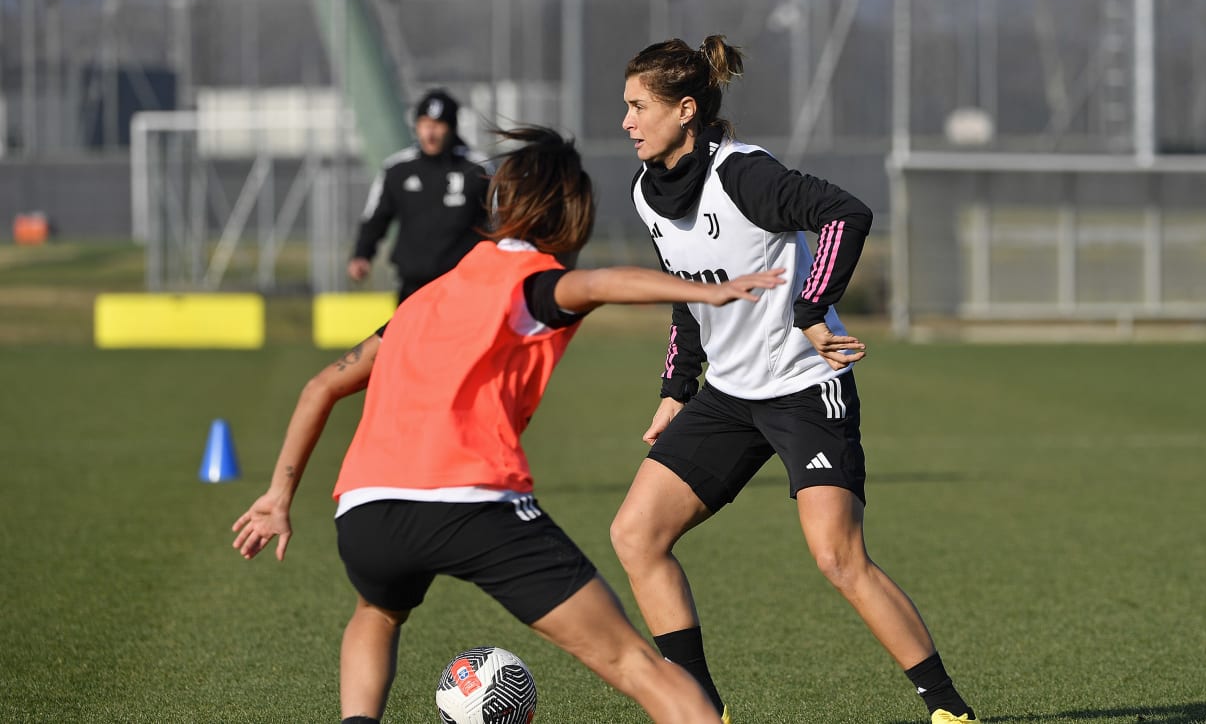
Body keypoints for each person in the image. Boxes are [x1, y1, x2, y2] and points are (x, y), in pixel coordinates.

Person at [232, 125, 785, 724]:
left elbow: (322, 385)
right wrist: (707, 291)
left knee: (377, 613)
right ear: (572, 214)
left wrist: (278, 496)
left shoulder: (425, 299)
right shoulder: (530, 285)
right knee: (635, 665)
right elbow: (599, 284)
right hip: (470, 501)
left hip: (367, 508)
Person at [609, 36, 981, 724]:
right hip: (728, 396)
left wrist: (810, 307)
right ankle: (699, 712)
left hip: (806, 385)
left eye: (638, 106)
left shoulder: (744, 174)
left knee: (837, 558)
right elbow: (689, 294)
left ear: (685, 110)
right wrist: (674, 389)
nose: (626, 121)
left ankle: (949, 711)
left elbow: (847, 214)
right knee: (636, 534)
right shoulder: (644, 193)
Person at [348, 88, 489, 302]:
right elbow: (376, 218)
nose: (430, 133)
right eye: (424, 125)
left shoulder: (478, 168)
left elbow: (500, 221)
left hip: (464, 285)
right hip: (412, 286)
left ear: (451, 128)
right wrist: (362, 254)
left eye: (438, 126)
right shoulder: (397, 169)